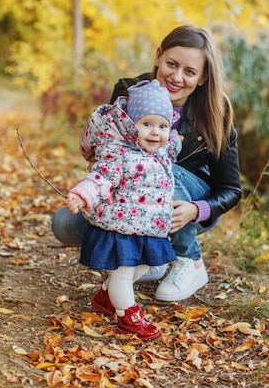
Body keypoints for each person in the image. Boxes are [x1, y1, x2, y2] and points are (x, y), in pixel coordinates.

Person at [53, 24, 242, 302]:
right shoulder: (129, 92)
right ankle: (149, 255)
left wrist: (196, 210)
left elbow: (231, 189)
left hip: (187, 204)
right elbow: (107, 149)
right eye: (172, 64)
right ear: (158, 56)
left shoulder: (217, 111)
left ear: (202, 77)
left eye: (189, 71)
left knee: (157, 165)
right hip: (134, 197)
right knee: (65, 225)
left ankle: (190, 260)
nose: (177, 77)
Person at [65, 79, 181, 340]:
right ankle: (127, 314)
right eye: (147, 124)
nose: (155, 132)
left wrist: (176, 140)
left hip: (147, 228)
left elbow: (174, 144)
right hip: (119, 227)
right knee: (124, 272)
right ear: (131, 126)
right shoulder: (120, 153)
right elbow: (101, 178)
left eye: (162, 126)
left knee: (141, 268)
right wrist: (82, 196)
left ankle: (107, 295)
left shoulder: (161, 152)